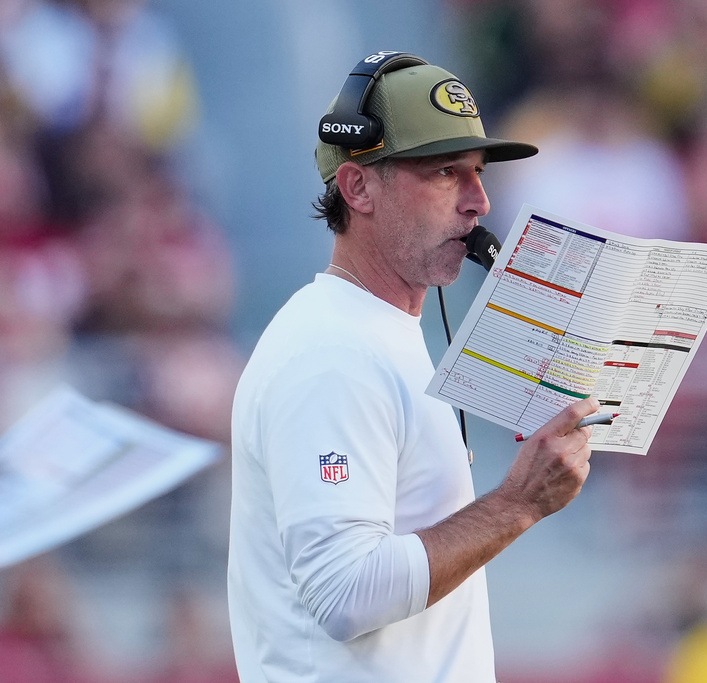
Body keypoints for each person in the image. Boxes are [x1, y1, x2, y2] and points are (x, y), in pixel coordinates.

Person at [227, 52, 601, 683]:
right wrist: (517, 504)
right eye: (445, 173)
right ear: (358, 187)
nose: (479, 201)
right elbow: (343, 595)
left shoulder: (377, 332)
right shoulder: (329, 352)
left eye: (478, 173)